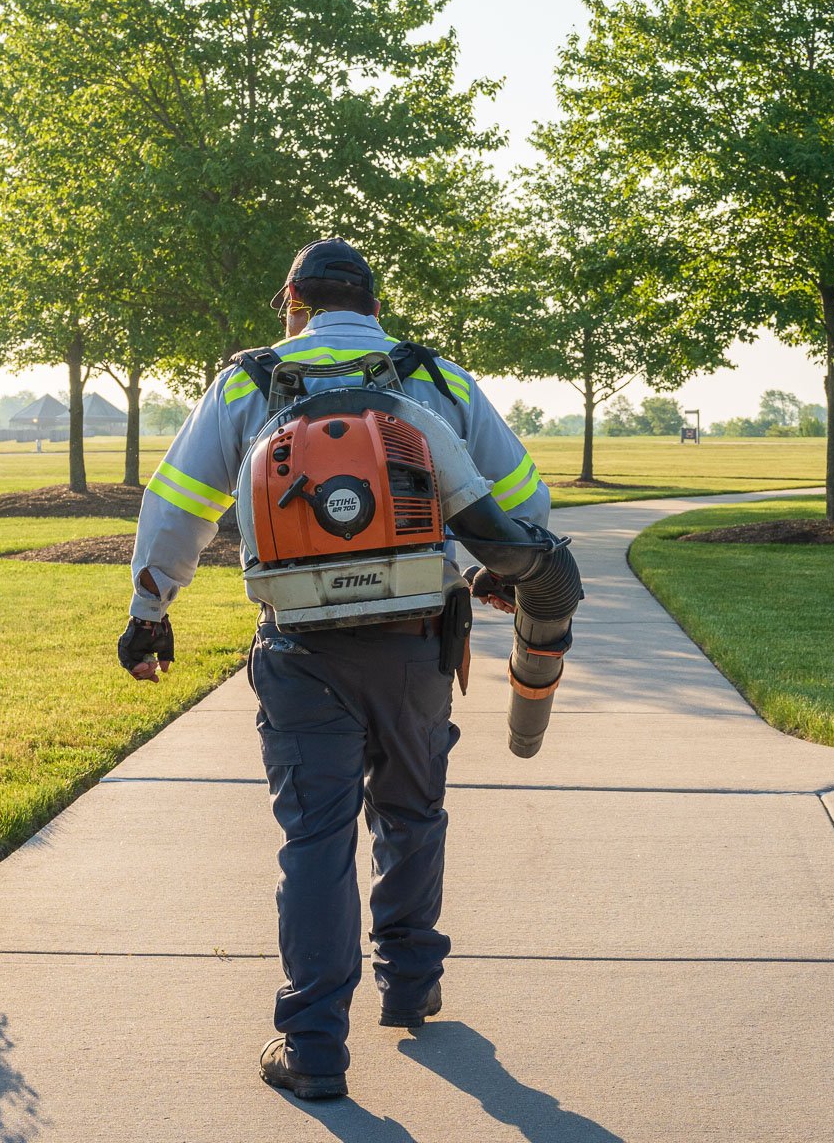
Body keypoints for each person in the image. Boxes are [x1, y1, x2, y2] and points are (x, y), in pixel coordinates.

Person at [116, 238, 550, 1102]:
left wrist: (149, 609)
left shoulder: (248, 382)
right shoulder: (436, 380)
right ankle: (412, 981)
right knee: (414, 809)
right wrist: (499, 574)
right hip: (420, 641)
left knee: (315, 841)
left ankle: (313, 1046)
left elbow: (179, 503)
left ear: (293, 302)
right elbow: (524, 501)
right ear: (375, 306)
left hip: (301, 648)